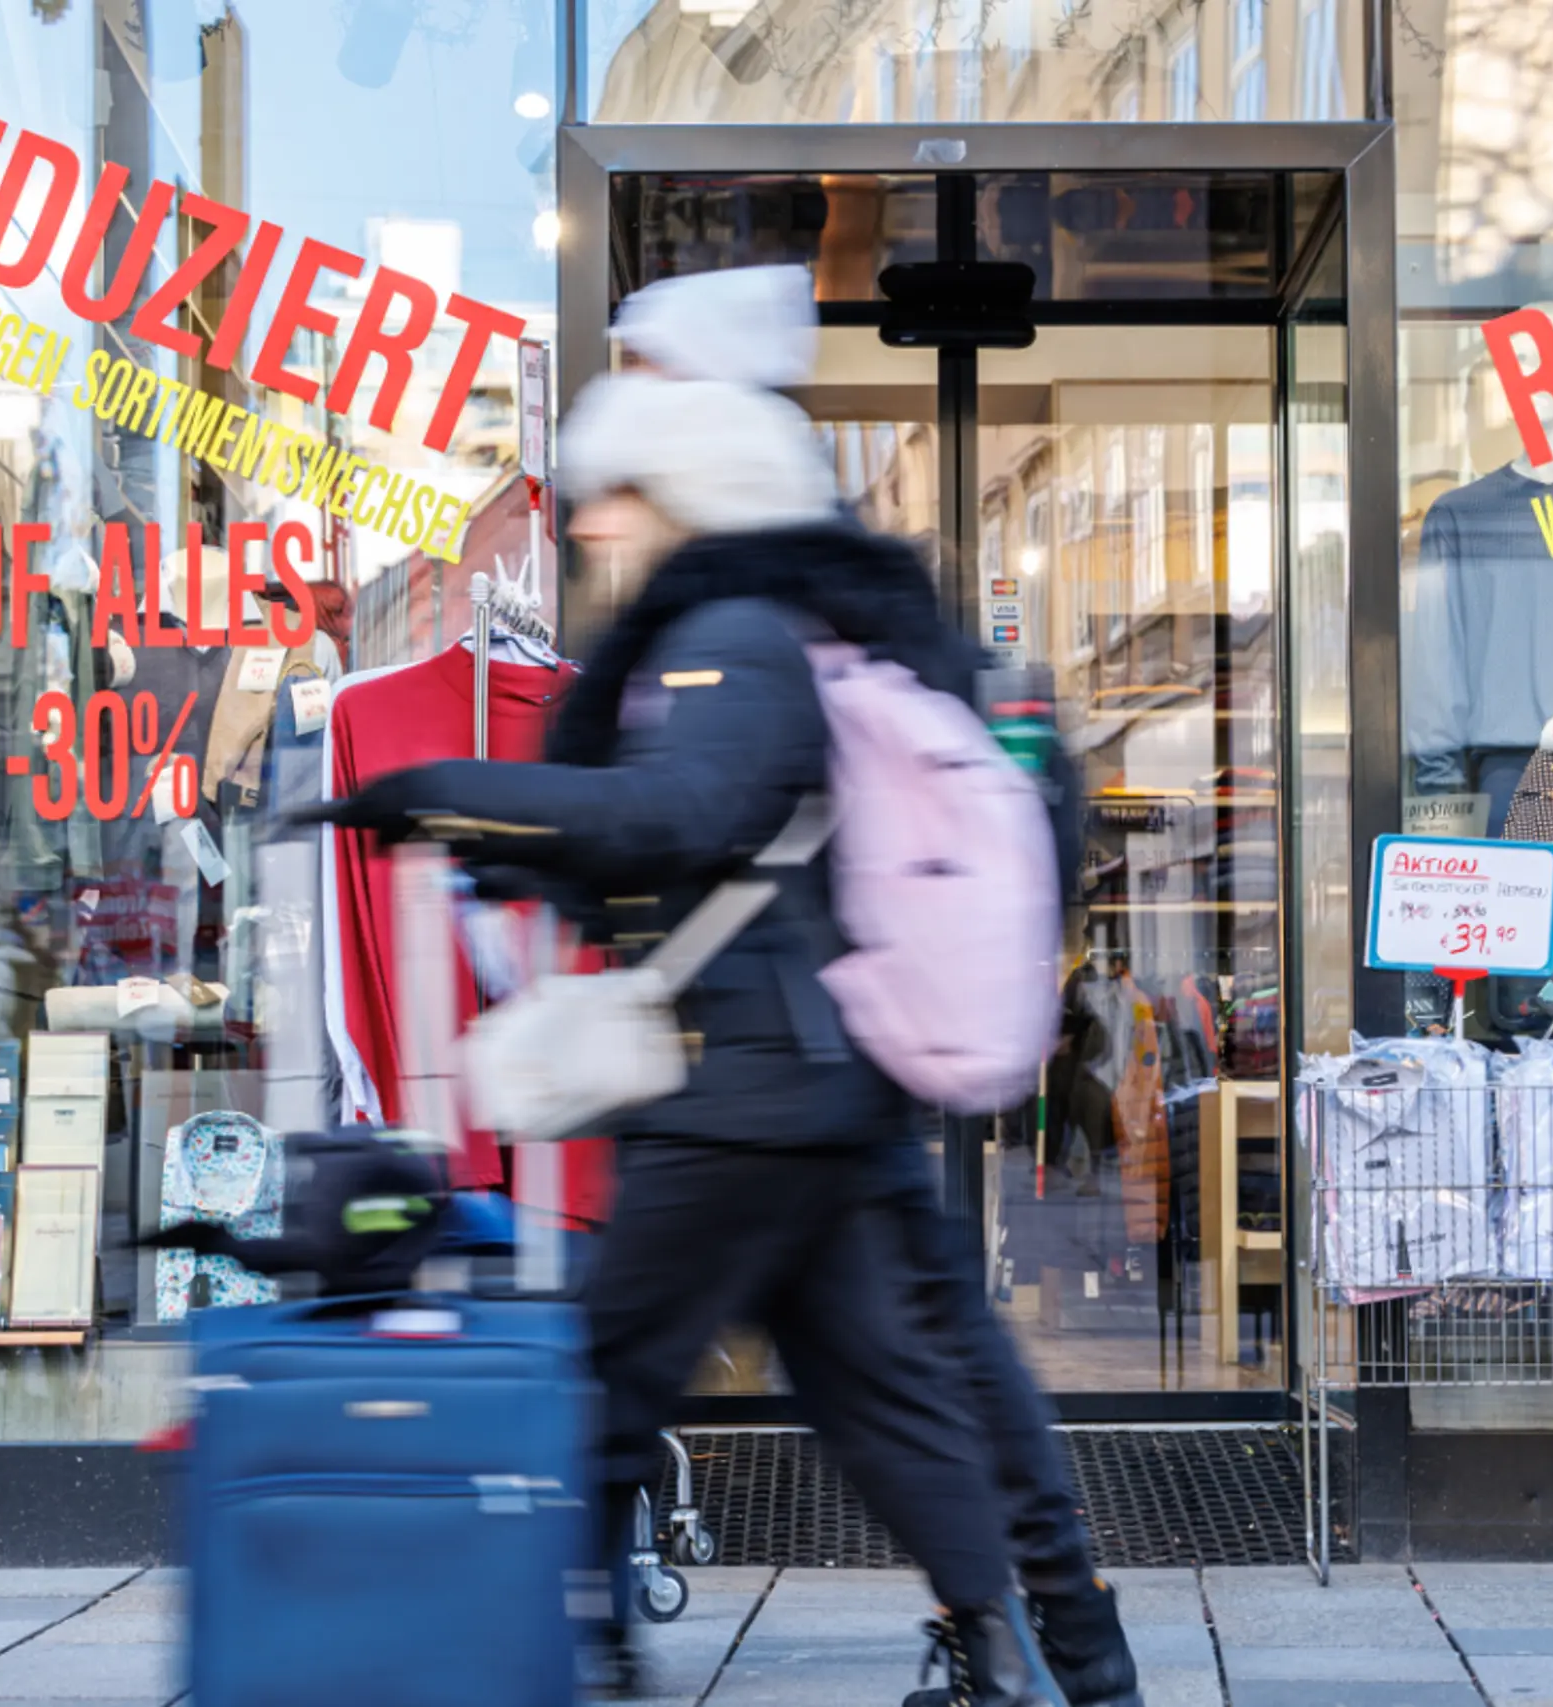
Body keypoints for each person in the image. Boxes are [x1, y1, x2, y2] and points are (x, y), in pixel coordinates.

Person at [310, 371, 1070, 1707]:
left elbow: (687, 813)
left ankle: (579, 1642)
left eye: (618, 496)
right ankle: (991, 1652)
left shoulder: (730, 632)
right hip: (805, 1092)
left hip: (739, 1096)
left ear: (685, 497)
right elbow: (682, 843)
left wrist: (445, 793)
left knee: (605, 1375)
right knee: (877, 1397)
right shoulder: (760, 629)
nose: (594, 526)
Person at [612, 264, 1141, 1707]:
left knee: (919, 1364)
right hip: (848, 1037)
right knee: (918, 1363)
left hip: (824, 1041)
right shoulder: (833, 567)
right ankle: (1046, 1643)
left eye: (647, 376)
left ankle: (1047, 1646)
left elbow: (728, 809)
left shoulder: (766, 571)